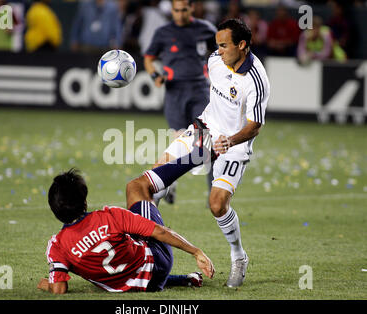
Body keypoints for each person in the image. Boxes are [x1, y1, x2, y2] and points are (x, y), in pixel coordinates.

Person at [150, 18, 270, 288]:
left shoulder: (256, 81)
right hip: (204, 130)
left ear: (242, 45)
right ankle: (148, 245)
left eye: (224, 45)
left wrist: (230, 141)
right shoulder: (216, 60)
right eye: (217, 45)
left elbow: (254, 127)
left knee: (217, 205)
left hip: (235, 145)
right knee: (155, 177)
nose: (218, 51)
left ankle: (238, 256)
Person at [37, 139, 215, 294]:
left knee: (121, 257)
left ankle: (181, 279)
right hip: (157, 265)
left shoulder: (58, 246)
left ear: (54, 210)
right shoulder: (109, 216)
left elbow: (59, 289)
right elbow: (160, 233)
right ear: (84, 202)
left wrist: (47, 286)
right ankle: (199, 155)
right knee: (137, 187)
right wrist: (196, 251)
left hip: (128, 285)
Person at [143, 0, 217, 204]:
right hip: (174, 92)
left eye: (184, 9)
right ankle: (169, 181)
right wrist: (154, 76)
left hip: (200, 91)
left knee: (205, 142)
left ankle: (214, 193)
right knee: (179, 140)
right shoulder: (163, 32)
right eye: (177, 10)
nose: (181, 14)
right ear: (172, 10)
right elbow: (149, 58)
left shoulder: (206, 30)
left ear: (192, 8)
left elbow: (220, 54)